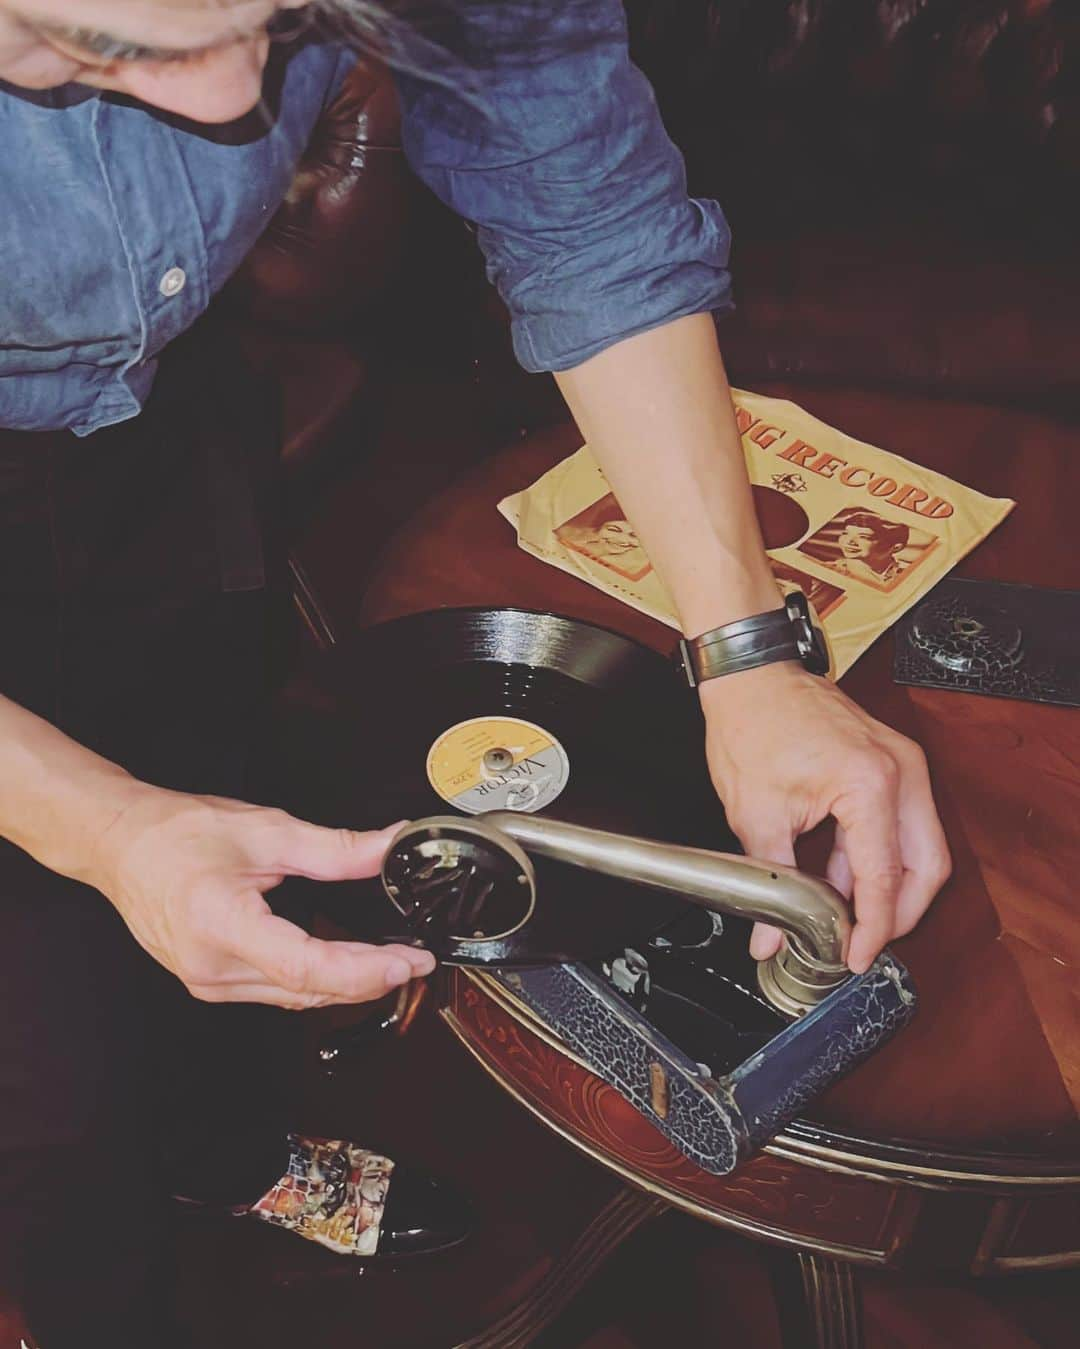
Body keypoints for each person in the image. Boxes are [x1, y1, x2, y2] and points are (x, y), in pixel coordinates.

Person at [0, 3, 952, 1345]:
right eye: (91, 44)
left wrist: (749, 659)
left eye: (289, 13)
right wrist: (97, 828)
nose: (233, 104)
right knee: (48, 1070)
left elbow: (587, 215)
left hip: (167, 428)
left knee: (242, 821)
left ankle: (223, 1150)